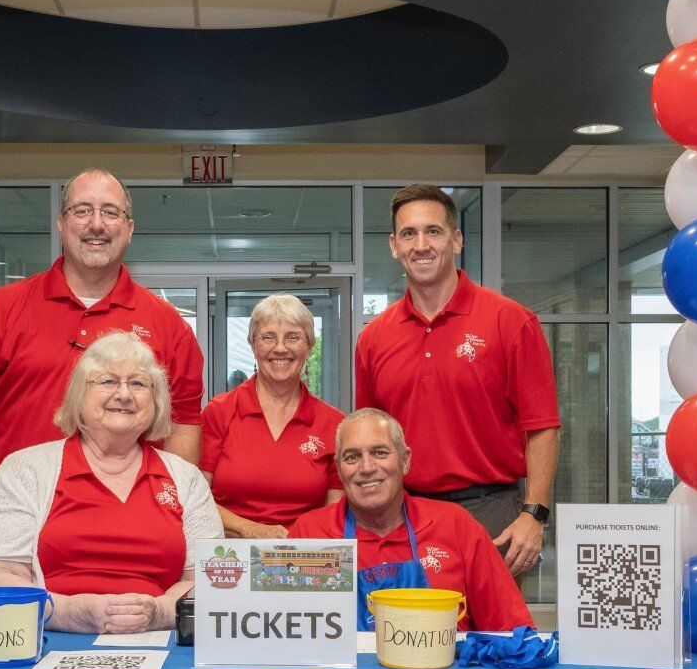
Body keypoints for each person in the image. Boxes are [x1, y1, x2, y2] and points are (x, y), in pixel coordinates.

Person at [0, 169, 204, 544]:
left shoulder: (168, 325)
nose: (96, 224)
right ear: (62, 224)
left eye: (110, 212)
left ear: (129, 228)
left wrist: (175, 514)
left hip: (130, 520)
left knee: (126, 607)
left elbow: (182, 427)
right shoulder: (0, 310)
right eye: (82, 211)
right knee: (14, 605)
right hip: (15, 513)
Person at [355, 184, 562, 575]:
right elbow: (370, 440)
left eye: (432, 231)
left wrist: (534, 515)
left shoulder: (511, 321)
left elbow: (543, 428)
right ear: (394, 246)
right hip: (405, 512)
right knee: (400, 632)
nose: (421, 245)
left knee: (492, 635)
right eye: (408, 234)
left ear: (456, 239)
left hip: (492, 512)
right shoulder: (373, 338)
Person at [0, 333, 221, 634]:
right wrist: (72, 613)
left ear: (156, 402)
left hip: (158, 642)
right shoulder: (24, 470)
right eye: (107, 382)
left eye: (138, 384)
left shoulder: (185, 478)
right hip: (45, 641)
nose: (124, 394)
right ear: (78, 396)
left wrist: (161, 611)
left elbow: (210, 579)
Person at [287, 409, 531, 632]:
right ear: (339, 470)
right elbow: (286, 639)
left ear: (405, 460)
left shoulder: (456, 525)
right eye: (352, 457)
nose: (367, 467)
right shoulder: (309, 533)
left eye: (380, 453)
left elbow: (512, 632)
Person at [200, 293, 344, 538]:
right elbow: (195, 499)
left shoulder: (334, 423)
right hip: (229, 556)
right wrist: (251, 530)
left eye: (293, 337)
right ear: (253, 345)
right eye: (268, 337)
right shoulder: (219, 412)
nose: (280, 348)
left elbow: (334, 513)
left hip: (305, 557)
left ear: (309, 346)